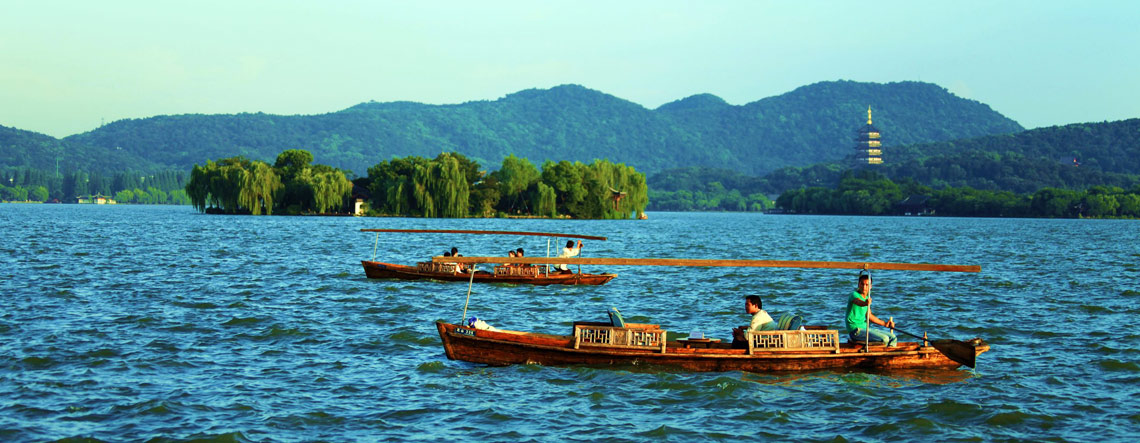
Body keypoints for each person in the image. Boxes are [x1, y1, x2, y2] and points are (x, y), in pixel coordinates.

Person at [846, 273, 897, 347]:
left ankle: (889, 355)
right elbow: (858, 302)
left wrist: (885, 324)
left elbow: (869, 315)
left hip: (865, 328)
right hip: (855, 331)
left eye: (867, 285)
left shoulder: (867, 298)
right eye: (862, 284)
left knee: (893, 337)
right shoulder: (854, 294)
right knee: (885, 339)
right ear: (858, 285)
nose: (864, 287)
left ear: (870, 287)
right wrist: (865, 303)